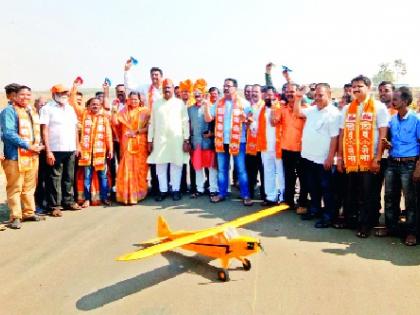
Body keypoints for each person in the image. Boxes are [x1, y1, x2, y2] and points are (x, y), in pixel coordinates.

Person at [337, 75, 389, 238]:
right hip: (352, 159)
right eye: (354, 86)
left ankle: (366, 225)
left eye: (360, 86)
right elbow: (342, 134)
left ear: (368, 87)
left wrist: (377, 158)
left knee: (368, 194)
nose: (356, 89)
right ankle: (352, 221)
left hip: (369, 159)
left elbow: (383, 134)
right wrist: (340, 158)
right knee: (351, 192)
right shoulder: (346, 109)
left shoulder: (379, 107)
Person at [294, 83, 340, 228]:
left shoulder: (334, 114)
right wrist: (298, 97)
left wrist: (330, 158)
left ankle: (328, 217)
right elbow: (297, 113)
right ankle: (315, 210)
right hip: (308, 157)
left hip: (323, 160)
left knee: (327, 190)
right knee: (313, 187)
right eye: (316, 95)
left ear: (329, 95)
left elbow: (335, 138)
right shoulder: (313, 109)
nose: (318, 98)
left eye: (321, 95)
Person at [0, 85, 45, 229]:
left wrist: (39, 145)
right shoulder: (9, 111)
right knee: (15, 187)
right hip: (15, 156)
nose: (25, 97)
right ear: (15, 96)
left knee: (29, 187)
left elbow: (35, 131)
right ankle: (15, 216)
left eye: (28, 95)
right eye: (22, 95)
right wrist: (28, 146)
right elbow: (8, 133)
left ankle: (28, 212)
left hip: (32, 155)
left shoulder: (30, 110)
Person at [204, 78, 253, 206]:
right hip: (222, 141)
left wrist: (246, 119)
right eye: (224, 86)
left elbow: (250, 122)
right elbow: (209, 119)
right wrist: (206, 105)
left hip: (238, 141)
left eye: (228, 86)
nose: (225, 88)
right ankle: (222, 193)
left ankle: (246, 195)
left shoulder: (244, 103)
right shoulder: (219, 103)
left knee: (241, 169)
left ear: (235, 88)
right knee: (222, 169)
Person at [381, 87, 419, 246]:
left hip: (409, 164)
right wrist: (388, 145)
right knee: (390, 197)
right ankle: (391, 227)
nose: (392, 101)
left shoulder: (416, 120)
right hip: (392, 162)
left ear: (405, 101)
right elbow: (394, 141)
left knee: (411, 200)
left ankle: (412, 232)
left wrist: (418, 168)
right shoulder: (393, 120)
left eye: (395, 99)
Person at [40, 84, 81, 216]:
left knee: (69, 177)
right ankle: (54, 206)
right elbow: (44, 130)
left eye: (66, 93)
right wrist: (48, 151)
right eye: (61, 93)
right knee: (54, 178)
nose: (64, 95)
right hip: (55, 148)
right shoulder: (47, 109)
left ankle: (68, 201)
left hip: (70, 148)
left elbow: (74, 128)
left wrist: (77, 146)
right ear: (53, 94)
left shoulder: (70, 108)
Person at [124, 59, 163, 196]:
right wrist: (127, 70)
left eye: (156, 75)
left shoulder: (167, 90)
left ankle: (168, 187)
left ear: (161, 76)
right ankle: (155, 187)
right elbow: (130, 87)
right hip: (149, 128)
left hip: (164, 128)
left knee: (164, 158)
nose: (154, 77)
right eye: (152, 75)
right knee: (151, 157)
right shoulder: (146, 88)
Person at [147, 79, 190, 201]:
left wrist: (186, 139)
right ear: (162, 89)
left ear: (173, 89)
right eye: (165, 87)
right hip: (160, 141)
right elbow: (152, 123)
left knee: (176, 165)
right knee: (160, 167)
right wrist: (149, 140)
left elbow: (185, 122)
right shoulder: (156, 104)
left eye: (169, 87)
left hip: (176, 140)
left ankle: (176, 190)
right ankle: (163, 191)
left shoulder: (180, 103)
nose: (167, 89)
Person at [271, 83, 309, 213]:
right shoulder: (282, 108)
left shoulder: (306, 109)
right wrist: (273, 108)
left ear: (298, 93)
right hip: (286, 148)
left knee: (303, 178)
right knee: (289, 176)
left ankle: (302, 203)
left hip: (301, 149)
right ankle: (289, 201)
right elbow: (273, 122)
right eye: (287, 92)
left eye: (292, 91)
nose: (289, 94)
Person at [114, 91, 150, 204]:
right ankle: (126, 194)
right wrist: (114, 110)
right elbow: (115, 123)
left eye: (136, 99)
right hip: (126, 143)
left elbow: (150, 128)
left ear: (140, 100)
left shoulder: (146, 111)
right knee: (126, 167)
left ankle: (138, 193)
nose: (134, 101)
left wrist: (136, 131)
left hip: (140, 143)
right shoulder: (123, 111)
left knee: (140, 168)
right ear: (128, 100)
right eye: (132, 99)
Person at [251, 86, 285, 206]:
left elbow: (274, 122)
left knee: (280, 173)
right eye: (265, 95)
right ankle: (270, 196)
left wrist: (274, 107)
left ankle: (281, 197)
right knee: (268, 172)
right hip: (265, 146)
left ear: (275, 95)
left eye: (270, 95)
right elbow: (258, 126)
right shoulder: (262, 109)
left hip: (278, 145)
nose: (267, 97)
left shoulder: (280, 107)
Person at [188, 79, 218, 198]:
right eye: (195, 93)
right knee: (198, 167)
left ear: (203, 94)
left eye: (199, 93)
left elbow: (210, 120)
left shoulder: (211, 107)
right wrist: (188, 140)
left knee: (211, 167)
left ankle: (213, 189)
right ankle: (199, 189)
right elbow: (188, 126)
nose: (197, 95)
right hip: (196, 143)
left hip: (208, 142)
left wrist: (206, 105)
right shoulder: (190, 109)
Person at [245, 84, 265, 200]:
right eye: (252, 92)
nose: (253, 94)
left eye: (256, 92)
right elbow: (246, 124)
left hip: (262, 146)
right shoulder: (248, 107)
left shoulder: (264, 106)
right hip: (251, 145)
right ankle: (250, 193)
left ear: (261, 93)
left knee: (263, 172)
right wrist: (247, 121)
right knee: (251, 172)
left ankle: (264, 194)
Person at [33, 96, 48, 213]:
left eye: (45, 105)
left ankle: (46, 202)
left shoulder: (48, 117)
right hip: (34, 152)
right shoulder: (33, 117)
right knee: (36, 180)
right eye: (41, 104)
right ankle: (36, 205)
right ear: (36, 105)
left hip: (47, 152)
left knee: (46, 178)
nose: (43, 107)